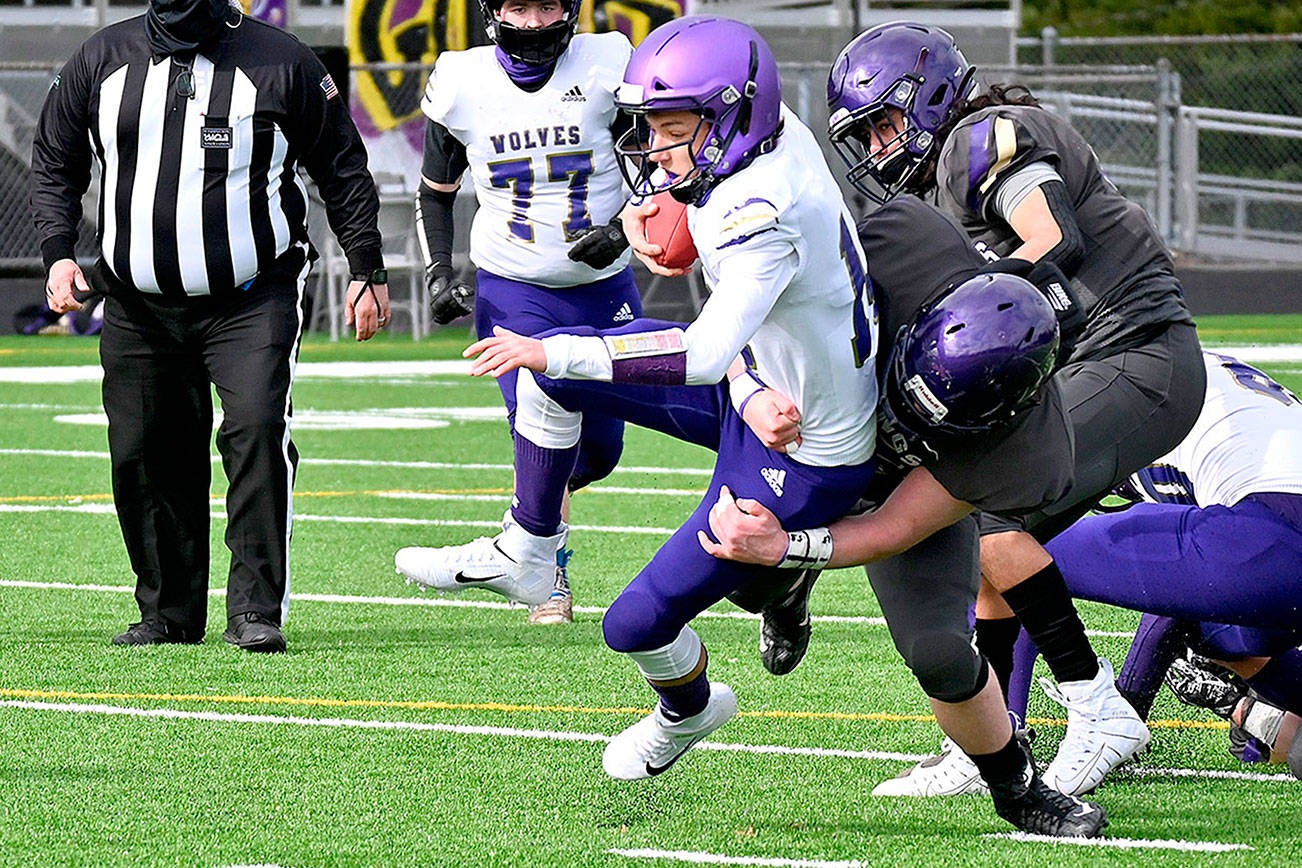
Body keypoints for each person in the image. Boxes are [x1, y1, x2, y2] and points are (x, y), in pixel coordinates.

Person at [457, 12, 887, 785]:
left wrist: (547, 344)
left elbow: (699, 352)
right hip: (763, 391)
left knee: (632, 624)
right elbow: (731, 340)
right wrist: (749, 387)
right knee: (561, 381)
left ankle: (690, 705)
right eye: (649, 123)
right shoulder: (771, 125)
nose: (652, 146)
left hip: (804, 449)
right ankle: (531, 545)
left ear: (728, 116)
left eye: (671, 125)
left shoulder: (759, 211)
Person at [818, 21, 1206, 794]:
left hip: (1137, 353)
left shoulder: (982, 136)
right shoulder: (945, 177)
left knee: (992, 516)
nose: (881, 144)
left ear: (927, 93)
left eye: (886, 121)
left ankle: (1100, 707)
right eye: (866, 134)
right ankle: (989, 740)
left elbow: (1049, 235)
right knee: (978, 538)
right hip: (1104, 360)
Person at [699, 190, 1106, 836]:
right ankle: (785, 598)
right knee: (743, 577)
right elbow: (752, 294)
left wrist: (789, 546)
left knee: (940, 652)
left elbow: (893, 527)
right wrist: (752, 391)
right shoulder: (899, 245)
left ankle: (1017, 789)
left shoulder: (1029, 452)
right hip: (812, 426)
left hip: (901, 482)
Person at [31, 0, 389, 652]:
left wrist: (366, 267)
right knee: (144, 451)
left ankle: (255, 610)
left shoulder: (281, 62)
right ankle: (168, 614)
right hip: (137, 306)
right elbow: (54, 156)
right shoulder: (101, 58)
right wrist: (57, 249)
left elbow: (342, 165)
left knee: (255, 429)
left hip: (250, 298)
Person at [394, 0, 639, 625]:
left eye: (546, 7)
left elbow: (656, 169)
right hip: (513, 288)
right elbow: (436, 190)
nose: (532, 22)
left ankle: (528, 533)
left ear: (571, 10)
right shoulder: (462, 82)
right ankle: (545, 571)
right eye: (518, 7)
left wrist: (623, 230)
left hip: (601, 285)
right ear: (492, 12)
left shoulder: (611, 63)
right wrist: (439, 269)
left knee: (599, 452)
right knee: (539, 421)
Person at [999, 352, 1302, 764]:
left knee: (1006, 545)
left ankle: (999, 738)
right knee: (1220, 632)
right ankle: (1254, 712)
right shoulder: (1202, 376)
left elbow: (1167, 607)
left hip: (1270, 537)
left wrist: (1131, 702)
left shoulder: (1128, 393)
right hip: (1272, 548)